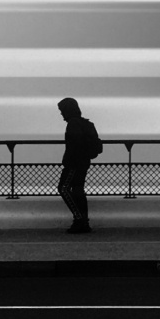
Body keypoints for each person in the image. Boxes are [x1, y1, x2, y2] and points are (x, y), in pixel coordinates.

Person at [56, 97, 100, 233]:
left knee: (63, 188)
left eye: (62, 110)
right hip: (84, 162)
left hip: (74, 163)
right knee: (78, 190)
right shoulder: (85, 123)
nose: (61, 113)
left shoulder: (73, 124)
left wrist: (67, 162)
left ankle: (79, 219)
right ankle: (83, 221)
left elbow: (73, 145)